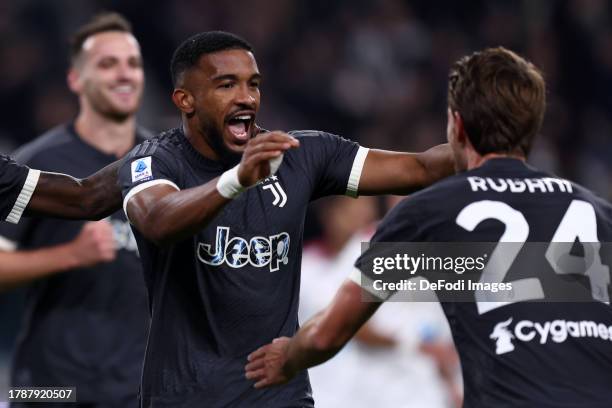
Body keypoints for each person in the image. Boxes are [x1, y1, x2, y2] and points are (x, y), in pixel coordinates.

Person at [245, 47, 612, 408]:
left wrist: (287, 357)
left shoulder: (428, 213)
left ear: (457, 125)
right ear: (534, 127)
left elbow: (328, 334)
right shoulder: (597, 212)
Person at [119, 31, 454, 407]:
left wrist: (489, 144)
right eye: (227, 84)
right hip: (188, 397)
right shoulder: (320, 269)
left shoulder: (309, 163)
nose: (246, 96)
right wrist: (237, 181)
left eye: (254, 84)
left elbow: (422, 169)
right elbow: (157, 222)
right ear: (185, 99)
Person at [0, 13, 149, 407]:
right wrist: (69, 255)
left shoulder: (165, 165)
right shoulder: (35, 161)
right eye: (107, 63)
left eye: (133, 64)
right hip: (50, 390)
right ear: (75, 80)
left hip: (137, 390)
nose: (124, 74)